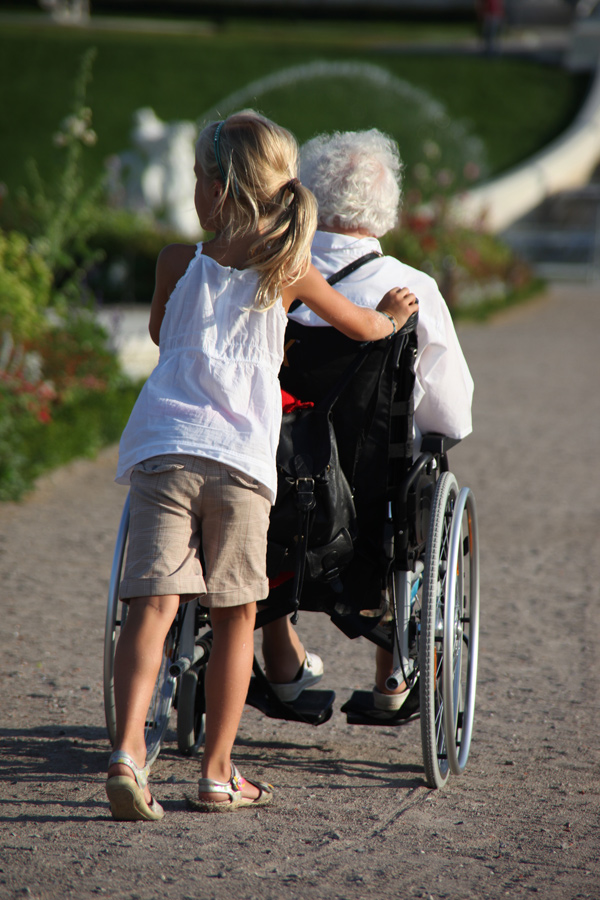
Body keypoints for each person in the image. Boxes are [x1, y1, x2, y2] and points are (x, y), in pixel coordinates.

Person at [105, 111, 419, 820]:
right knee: (237, 610)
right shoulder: (289, 269)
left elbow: (161, 331)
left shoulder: (175, 262)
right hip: (242, 466)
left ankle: (127, 752)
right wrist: (394, 316)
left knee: (151, 607)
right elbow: (364, 327)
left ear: (215, 190)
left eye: (196, 178)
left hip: (163, 451)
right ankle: (217, 772)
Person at [261, 128, 473, 714]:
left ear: (305, 194)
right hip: (369, 498)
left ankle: (279, 657)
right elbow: (451, 415)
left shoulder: (267, 276)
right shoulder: (414, 289)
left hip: (270, 479)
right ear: (386, 208)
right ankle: (391, 675)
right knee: (413, 476)